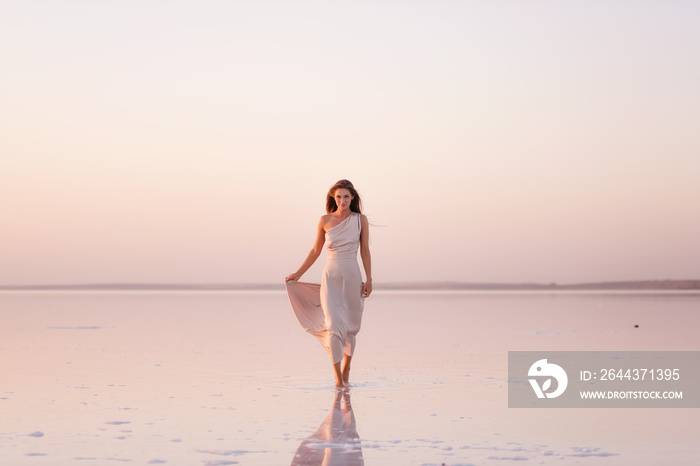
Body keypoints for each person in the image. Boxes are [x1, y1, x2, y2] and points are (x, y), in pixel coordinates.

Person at [285, 179, 372, 389]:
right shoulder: (324, 220)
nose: (342, 200)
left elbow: (365, 250)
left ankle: (347, 368)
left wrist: (369, 279)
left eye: (346, 197)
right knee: (333, 326)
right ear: (333, 198)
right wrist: (298, 273)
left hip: (352, 276)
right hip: (330, 278)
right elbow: (315, 250)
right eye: (339, 197)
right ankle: (338, 378)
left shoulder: (360, 220)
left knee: (351, 327)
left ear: (352, 198)